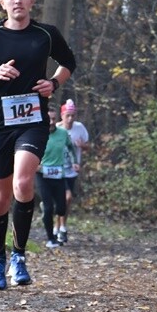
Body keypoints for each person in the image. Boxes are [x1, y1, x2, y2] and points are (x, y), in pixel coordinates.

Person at [0, 0, 76, 290]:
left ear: (32, 0)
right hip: (0, 122)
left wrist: (54, 83)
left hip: (33, 119)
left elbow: (68, 61)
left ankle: (19, 256)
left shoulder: (46, 34)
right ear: (3, 2)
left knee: (22, 181)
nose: (18, 1)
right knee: (0, 199)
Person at [38, 104, 76, 248]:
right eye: (48, 119)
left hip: (59, 174)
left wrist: (75, 163)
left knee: (61, 208)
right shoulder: (37, 133)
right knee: (49, 209)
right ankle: (50, 238)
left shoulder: (62, 133)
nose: (51, 122)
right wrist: (34, 164)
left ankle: (48, 209)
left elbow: (71, 148)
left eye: (53, 119)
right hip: (42, 175)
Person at [56, 98, 89, 244]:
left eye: (72, 115)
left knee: (66, 200)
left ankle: (60, 226)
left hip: (71, 171)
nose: (70, 118)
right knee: (64, 198)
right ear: (62, 115)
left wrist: (82, 146)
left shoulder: (79, 128)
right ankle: (61, 228)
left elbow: (89, 146)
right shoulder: (56, 128)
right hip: (56, 170)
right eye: (67, 115)